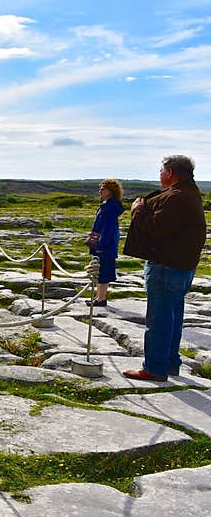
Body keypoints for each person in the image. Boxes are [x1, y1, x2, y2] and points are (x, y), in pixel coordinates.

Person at [121, 154, 207, 381]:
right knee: (172, 317)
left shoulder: (177, 197)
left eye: (161, 170)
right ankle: (169, 363)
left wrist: (137, 210)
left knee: (159, 319)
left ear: (170, 173)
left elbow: (157, 228)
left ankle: (154, 368)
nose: (159, 175)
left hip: (166, 266)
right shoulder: (190, 194)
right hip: (181, 266)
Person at [85, 178, 124, 307]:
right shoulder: (107, 205)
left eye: (103, 189)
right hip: (102, 242)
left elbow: (108, 228)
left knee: (104, 270)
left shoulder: (110, 207)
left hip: (105, 243)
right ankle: (99, 296)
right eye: (100, 188)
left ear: (111, 191)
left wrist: (102, 245)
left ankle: (101, 299)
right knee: (99, 269)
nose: (100, 191)